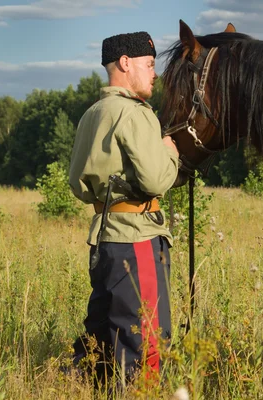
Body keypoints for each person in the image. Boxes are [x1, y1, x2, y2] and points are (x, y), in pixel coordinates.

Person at [68, 31, 179, 383]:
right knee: (145, 343)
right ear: (125, 63)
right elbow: (155, 182)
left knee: (103, 338)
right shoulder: (135, 113)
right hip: (138, 240)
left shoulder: (92, 114)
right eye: (149, 64)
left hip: (104, 240)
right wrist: (170, 153)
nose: (155, 73)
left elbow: (77, 183)